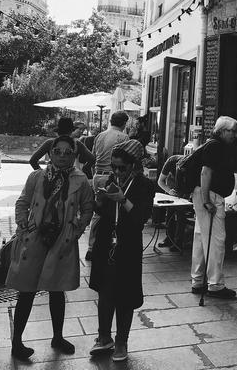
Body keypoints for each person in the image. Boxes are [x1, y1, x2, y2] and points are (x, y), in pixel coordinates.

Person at [6, 135, 94, 360]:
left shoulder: (81, 180)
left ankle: (58, 337)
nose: (62, 156)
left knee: (57, 289)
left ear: (74, 156)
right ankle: (17, 342)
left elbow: (87, 208)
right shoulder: (37, 177)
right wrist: (23, 224)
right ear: (50, 154)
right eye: (58, 151)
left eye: (68, 153)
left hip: (61, 239)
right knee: (26, 290)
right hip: (35, 236)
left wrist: (76, 230)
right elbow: (23, 202)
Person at [88, 139, 154, 363]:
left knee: (125, 294)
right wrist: (99, 201)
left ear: (133, 165)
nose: (116, 172)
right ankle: (103, 337)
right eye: (113, 167)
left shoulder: (144, 185)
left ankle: (121, 341)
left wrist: (123, 200)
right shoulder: (111, 180)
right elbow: (103, 212)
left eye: (121, 168)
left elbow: (140, 218)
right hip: (106, 242)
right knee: (105, 291)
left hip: (128, 245)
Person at [191, 116, 237, 299]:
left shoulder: (213, 144)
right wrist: (207, 201)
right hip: (211, 195)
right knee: (216, 240)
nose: (234, 135)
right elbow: (205, 172)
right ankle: (215, 284)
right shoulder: (216, 146)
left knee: (201, 238)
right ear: (221, 131)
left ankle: (198, 280)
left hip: (206, 194)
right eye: (232, 131)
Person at [86, 111, 129, 260]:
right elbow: (125, 160)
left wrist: (94, 173)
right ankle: (107, 246)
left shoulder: (100, 135)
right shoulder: (123, 137)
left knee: (98, 212)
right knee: (111, 211)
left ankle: (92, 246)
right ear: (124, 123)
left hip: (98, 175)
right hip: (111, 176)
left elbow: (92, 157)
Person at [28, 117, 95, 173]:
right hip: (70, 177)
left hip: (52, 178)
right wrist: (84, 170)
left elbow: (33, 161)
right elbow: (92, 159)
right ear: (71, 131)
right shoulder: (76, 144)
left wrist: (41, 173)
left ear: (58, 131)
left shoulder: (50, 143)